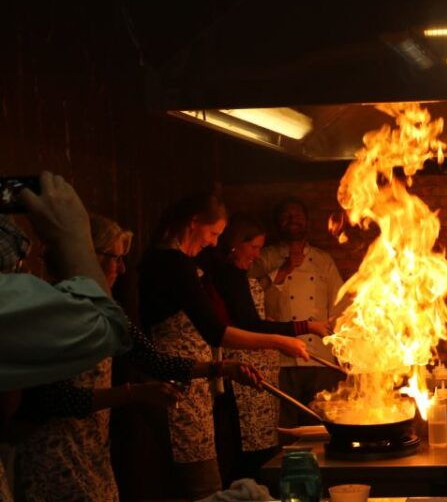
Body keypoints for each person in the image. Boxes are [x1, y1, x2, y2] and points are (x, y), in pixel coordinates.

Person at [11, 214, 264, 502]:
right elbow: (51, 397)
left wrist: (222, 368)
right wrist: (134, 394)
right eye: (114, 257)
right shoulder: (49, 312)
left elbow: (154, 360)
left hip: (93, 450)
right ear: (84, 255)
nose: (120, 268)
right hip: (51, 453)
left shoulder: (108, 312)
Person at [139, 193, 309, 499]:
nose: (214, 243)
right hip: (177, 389)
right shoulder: (173, 264)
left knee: (199, 477)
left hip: (193, 381)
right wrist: (280, 341)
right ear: (194, 223)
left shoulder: (172, 260)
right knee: (200, 485)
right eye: (213, 233)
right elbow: (217, 332)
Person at [200, 214, 318, 482]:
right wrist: (303, 329)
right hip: (243, 362)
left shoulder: (238, 273)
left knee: (261, 442)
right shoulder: (228, 274)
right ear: (235, 244)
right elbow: (248, 323)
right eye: (253, 247)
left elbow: (255, 304)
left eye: (259, 249)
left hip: (260, 361)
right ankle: (249, 490)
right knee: (249, 446)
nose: (256, 255)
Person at [0, 173, 132, 393]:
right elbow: (101, 325)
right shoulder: (50, 309)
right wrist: (75, 238)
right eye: (115, 257)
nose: (24, 272)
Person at [250, 197, 347, 428]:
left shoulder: (323, 260)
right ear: (277, 223)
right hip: (281, 361)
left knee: (322, 425)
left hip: (319, 360)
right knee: (287, 426)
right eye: (286, 216)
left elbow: (340, 305)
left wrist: (341, 346)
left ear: (307, 222)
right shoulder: (264, 257)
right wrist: (283, 270)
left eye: (297, 215)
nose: (292, 220)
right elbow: (251, 298)